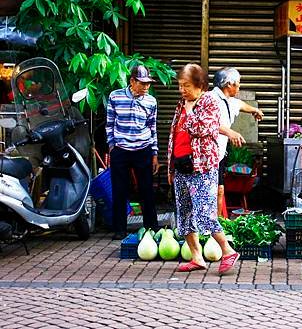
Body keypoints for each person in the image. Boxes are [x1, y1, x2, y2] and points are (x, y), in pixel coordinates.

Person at [167, 63, 240, 273]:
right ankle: (197, 257)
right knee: (185, 214)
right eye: (180, 86)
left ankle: (228, 251)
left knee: (205, 214)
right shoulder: (182, 103)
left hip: (202, 167)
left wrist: (190, 112)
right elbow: (174, 135)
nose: (182, 90)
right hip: (181, 166)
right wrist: (171, 167)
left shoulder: (209, 102)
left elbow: (203, 129)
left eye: (186, 86)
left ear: (200, 85)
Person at [106, 65, 159, 240]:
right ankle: (119, 229)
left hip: (143, 149)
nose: (146, 87)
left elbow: (153, 128)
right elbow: (110, 124)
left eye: (148, 84)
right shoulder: (115, 96)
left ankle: (151, 227)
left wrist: (154, 153)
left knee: (146, 190)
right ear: (132, 81)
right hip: (120, 150)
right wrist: (112, 146)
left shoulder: (151, 101)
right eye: (142, 83)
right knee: (119, 190)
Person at [211, 67, 264, 216]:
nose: (239, 87)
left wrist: (255, 110)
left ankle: (218, 224)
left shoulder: (229, 100)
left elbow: (241, 104)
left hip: (219, 154)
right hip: (208, 154)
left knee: (219, 189)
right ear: (229, 84)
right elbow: (208, 123)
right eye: (238, 84)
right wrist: (230, 132)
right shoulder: (210, 99)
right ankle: (209, 225)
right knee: (212, 191)